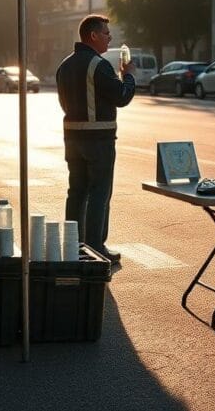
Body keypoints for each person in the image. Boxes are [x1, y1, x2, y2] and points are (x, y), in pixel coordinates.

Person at [56, 15, 135, 263]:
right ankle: (95, 247)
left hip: (72, 138)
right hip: (99, 140)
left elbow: (63, 103)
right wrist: (128, 76)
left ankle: (72, 245)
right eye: (106, 33)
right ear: (93, 36)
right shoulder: (98, 65)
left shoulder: (64, 66)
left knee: (76, 191)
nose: (110, 37)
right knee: (100, 192)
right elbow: (121, 96)